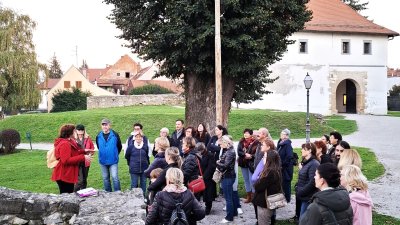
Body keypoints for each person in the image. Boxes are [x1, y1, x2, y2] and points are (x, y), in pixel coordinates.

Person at [51, 124, 92, 194]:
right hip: (64, 175)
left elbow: (74, 152)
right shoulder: (65, 144)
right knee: (66, 196)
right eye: (74, 131)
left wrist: (84, 151)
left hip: (67, 174)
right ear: (70, 133)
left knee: (68, 194)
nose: (76, 132)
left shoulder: (69, 141)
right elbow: (65, 160)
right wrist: (83, 157)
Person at [252, 150, 282, 225]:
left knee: (264, 222)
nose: (263, 158)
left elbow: (258, 186)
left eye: (264, 157)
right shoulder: (276, 168)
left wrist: (258, 177)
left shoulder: (270, 172)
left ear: (269, 159)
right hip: (266, 202)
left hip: (265, 204)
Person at [251, 138, 275, 225]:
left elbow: (266, 177)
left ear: (268, 147)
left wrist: (257, 183)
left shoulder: (270, 160)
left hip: (265, 193)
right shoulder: (264, 157)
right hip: (259, 191)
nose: (261, 146)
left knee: (265, 218)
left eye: (263, 145)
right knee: (260, 215)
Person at [96, 118, 122, 192]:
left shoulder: (115, 135)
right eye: (103, 125)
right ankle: (108, 193)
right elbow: (98, 147)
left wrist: (114, 154)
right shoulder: (98, 136)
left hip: (113, 161)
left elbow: (119, 146)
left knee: (115, 177)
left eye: (106, 125)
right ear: (101, 126)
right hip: (103, 161)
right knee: (105, 178)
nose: (104, 126)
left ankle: (118, 192)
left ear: (109, 125)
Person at [217, 135, 239, 223]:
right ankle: (234, 213)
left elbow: (225, 165)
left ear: (226, 143)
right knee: (230, 196)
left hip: (228, 177)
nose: (220, 145)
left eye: (221, 143)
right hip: (229, 176)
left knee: (228, 198)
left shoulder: (230, 152)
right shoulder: (229, 151)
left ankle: (229, 217)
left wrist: (217, 163)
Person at [296, 143, 320, 218]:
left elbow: (312, 182)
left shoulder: (314, 164)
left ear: (309, 151)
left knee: (304, 219)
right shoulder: (306, 162)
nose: (301, 150)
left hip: (308, 197)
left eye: (304, 149)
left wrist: (301, 191)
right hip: (303, 196)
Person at [237, 128, 258, 203]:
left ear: (251, 134)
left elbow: (257, 153)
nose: (245, 134)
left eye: (247, 133)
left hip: (251, 164)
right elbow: (239, 151)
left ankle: (254, 196)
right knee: (246, 180)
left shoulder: (255, 142)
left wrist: (251, 156)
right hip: (243, 163)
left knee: (251, 179)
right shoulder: (241, 141)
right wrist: (245, 154)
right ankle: (248, 196)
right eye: (244, 133)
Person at [73, 124, 95, 192]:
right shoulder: (73, 139)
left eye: (82, 130)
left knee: (84, 179)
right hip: (77, 161)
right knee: (80, 180)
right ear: (76, 130)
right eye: (79, 130)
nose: (80, 131)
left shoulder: (88, 138)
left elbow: (92, 148)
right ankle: (73, 193)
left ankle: (83, 193)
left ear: (84, 130)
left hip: (86, 161)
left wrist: (90, 153)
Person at [197, 142, 217, 215]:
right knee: (203, 193)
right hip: (201, 177)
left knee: (208, 194)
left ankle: (208, 208)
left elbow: (211, 167)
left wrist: (204, 176)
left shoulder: (210, 155)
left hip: (208, 178)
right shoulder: (199, 155)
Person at [277, 128, 294, 203]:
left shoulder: (287, 144)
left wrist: (283, 164)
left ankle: (287, 199)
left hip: (286, 168)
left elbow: (289, 156)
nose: (281, 135)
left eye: (282, 134)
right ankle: (283, 197)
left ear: (287, 136)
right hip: (281, 167)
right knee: (282, 183)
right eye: (281, 133)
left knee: (286, 183)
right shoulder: (281, 143)